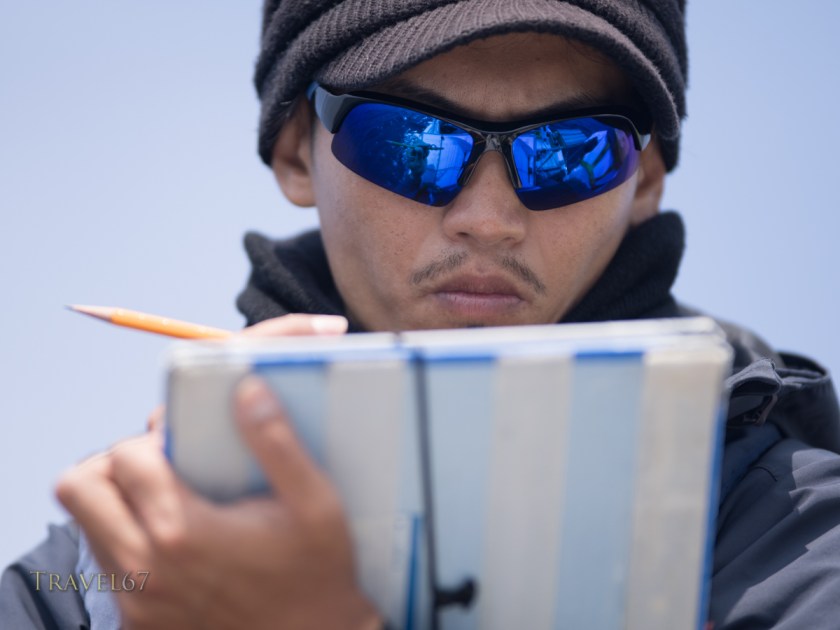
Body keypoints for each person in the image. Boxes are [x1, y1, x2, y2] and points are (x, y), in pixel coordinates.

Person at [2, 1, 839, 628]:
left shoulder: (793, 537)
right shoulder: (109, 566)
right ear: (298, 149)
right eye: (410, 140)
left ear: (644, 180)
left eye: (569, 151)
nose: (489, 217)